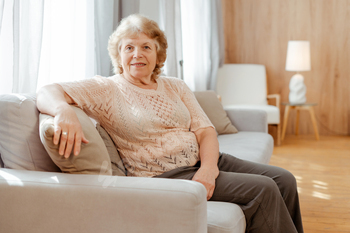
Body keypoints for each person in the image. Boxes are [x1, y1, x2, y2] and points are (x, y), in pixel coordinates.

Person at [36, 14, 303, 233]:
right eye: (128, 47)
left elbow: (205, 130)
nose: (136, 54)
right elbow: (47, 90)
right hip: (165, 175)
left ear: (158, 52)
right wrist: (62, 110)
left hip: (206, 160)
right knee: (265, 189)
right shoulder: (106, 89)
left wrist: (209, 168)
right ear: (118, 54)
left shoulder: (175, 85)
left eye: (145, 47)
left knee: (285, 180)